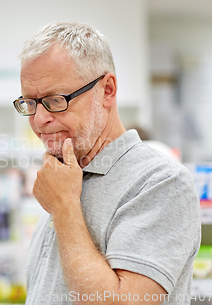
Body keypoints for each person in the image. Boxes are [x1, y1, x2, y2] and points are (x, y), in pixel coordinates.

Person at [13, 23, 201, 304]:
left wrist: (65, 208)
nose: (39, 120)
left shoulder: (161, 182)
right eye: (30, 102)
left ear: (107, 90)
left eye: (55, 100)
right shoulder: (64, 178)